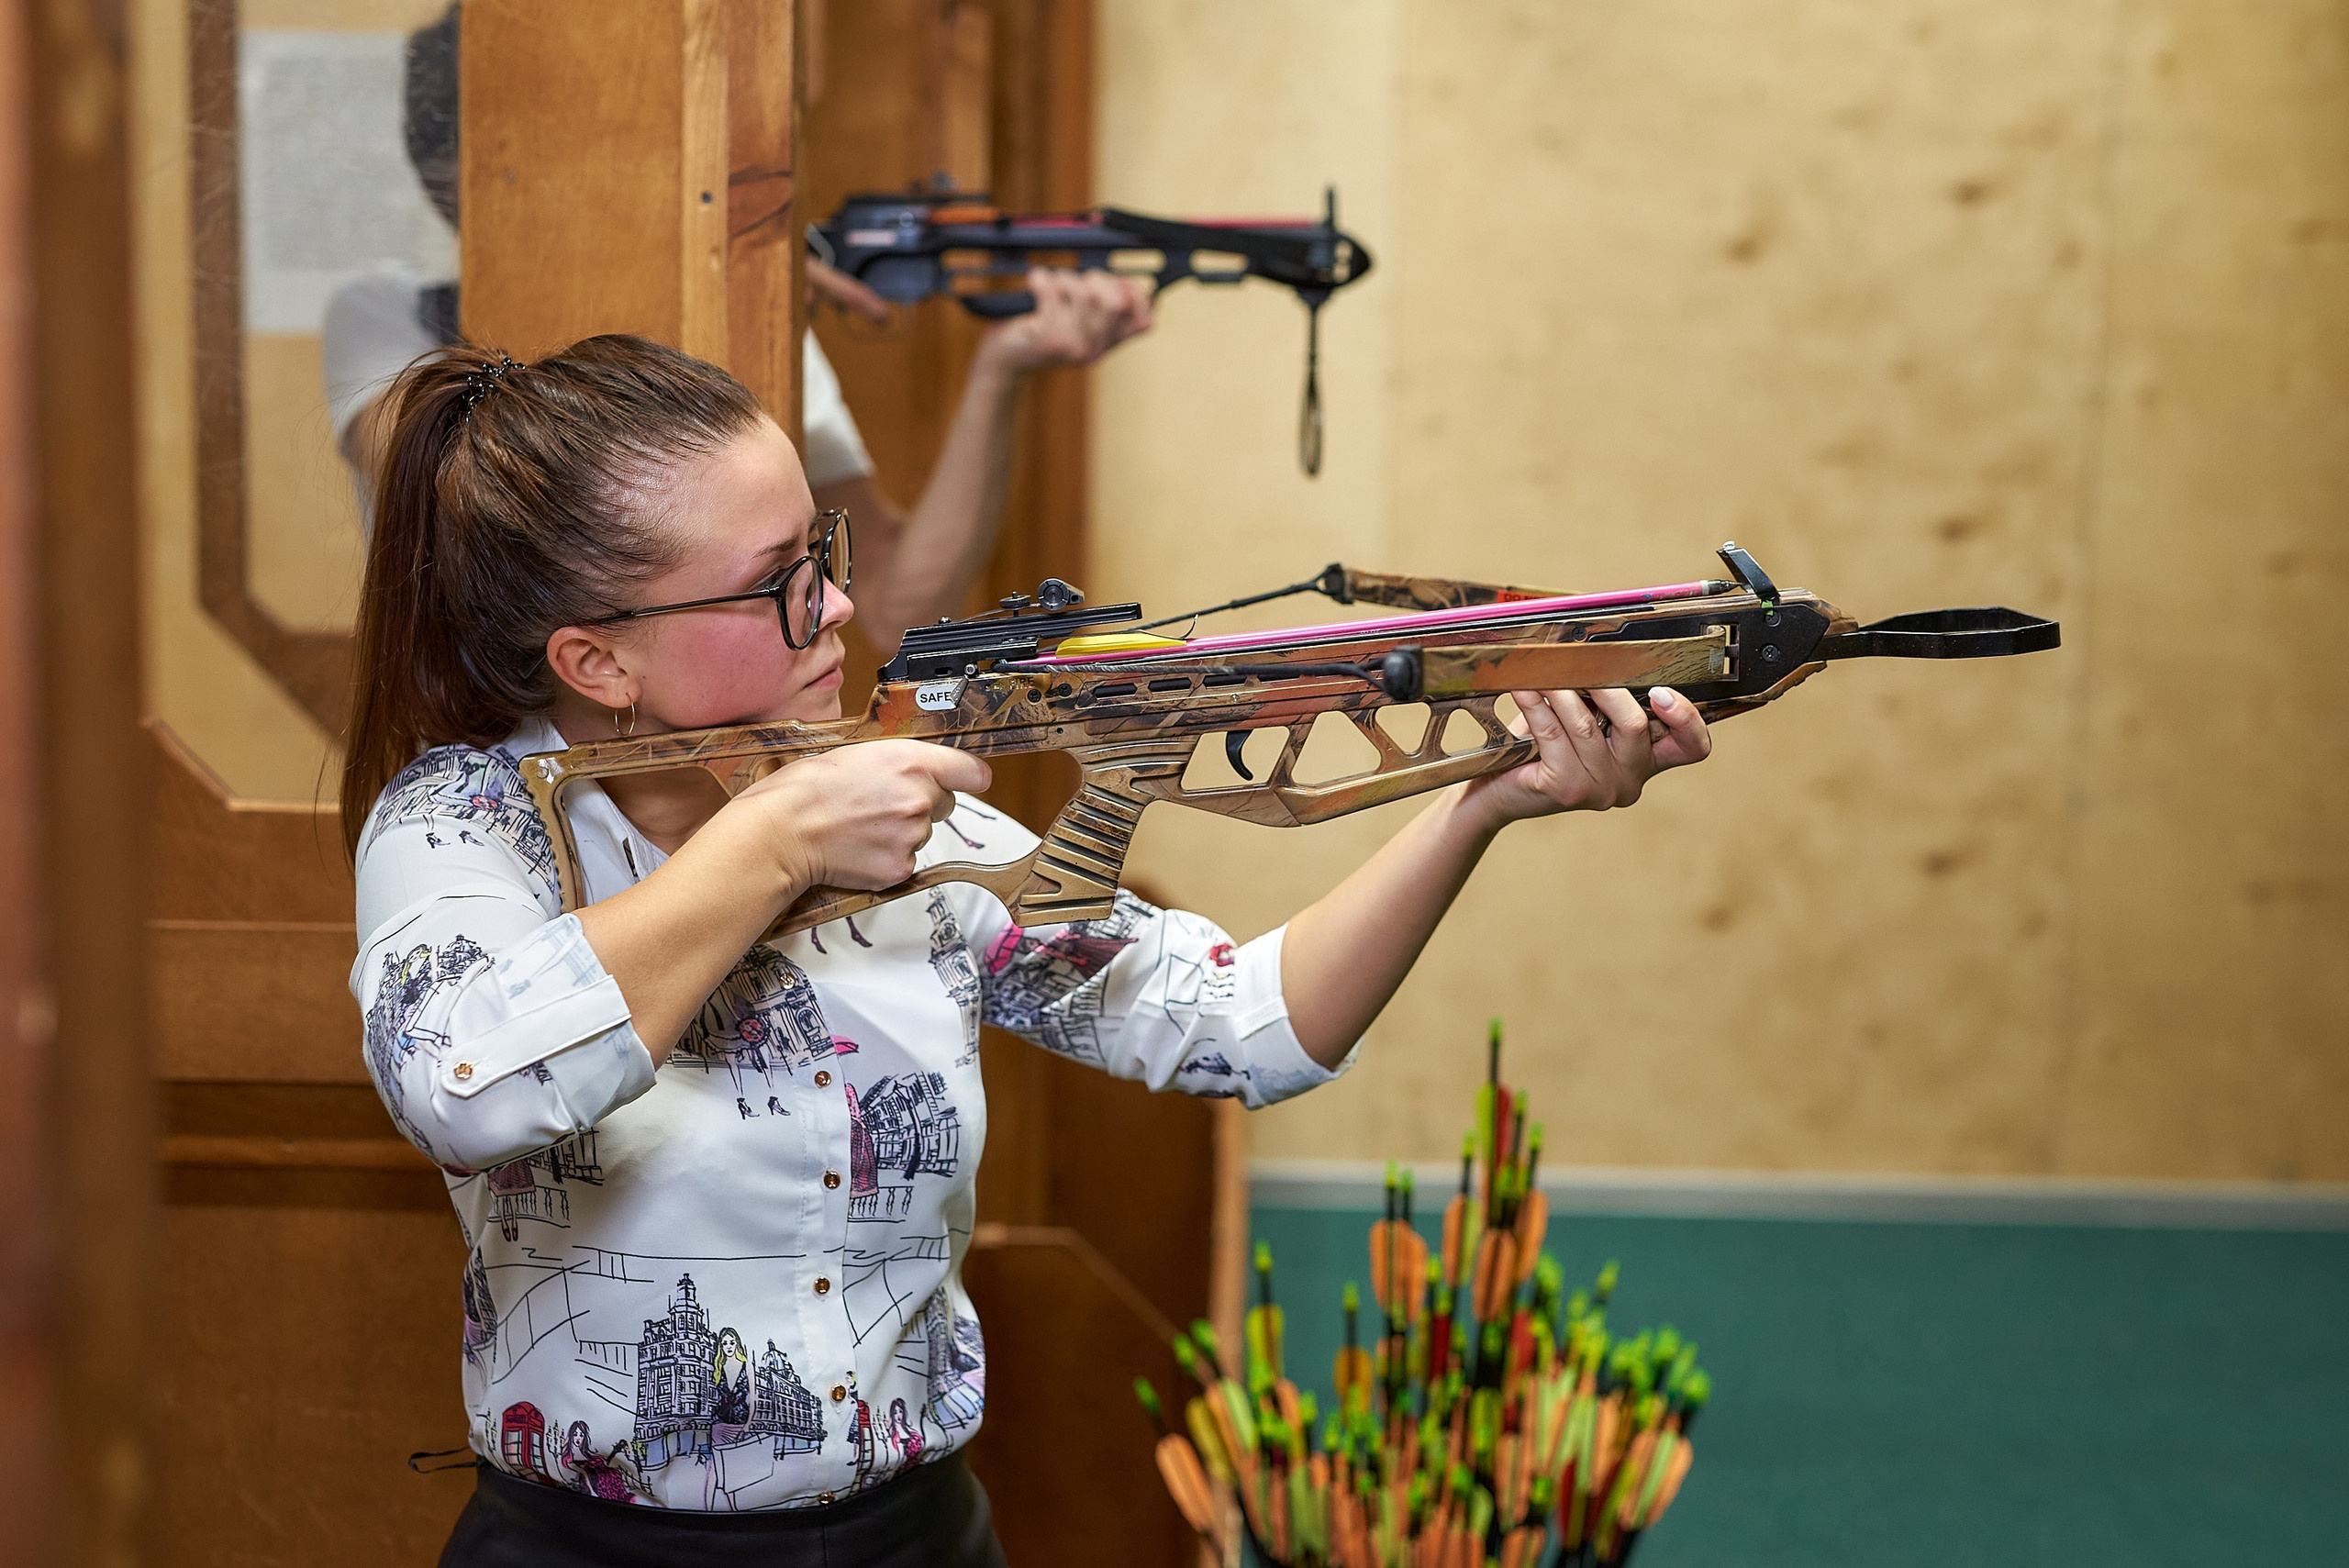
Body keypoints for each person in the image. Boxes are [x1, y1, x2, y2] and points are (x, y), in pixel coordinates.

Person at [346, 336, 1713, 1563]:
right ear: (596, 663)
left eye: (820, 555)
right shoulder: (468, 830)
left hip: (919, 1536)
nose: (836, 607)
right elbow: (467, 1091)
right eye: (777, 588)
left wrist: (1489, 799)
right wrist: (772, 843)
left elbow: (1241, 1021)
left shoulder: (889, 798)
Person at [324, 1, 1148, 653]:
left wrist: (1002, 371)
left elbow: (901, 614)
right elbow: (482, 490)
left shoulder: (745, 316)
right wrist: (736, 271)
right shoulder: (385, 316)